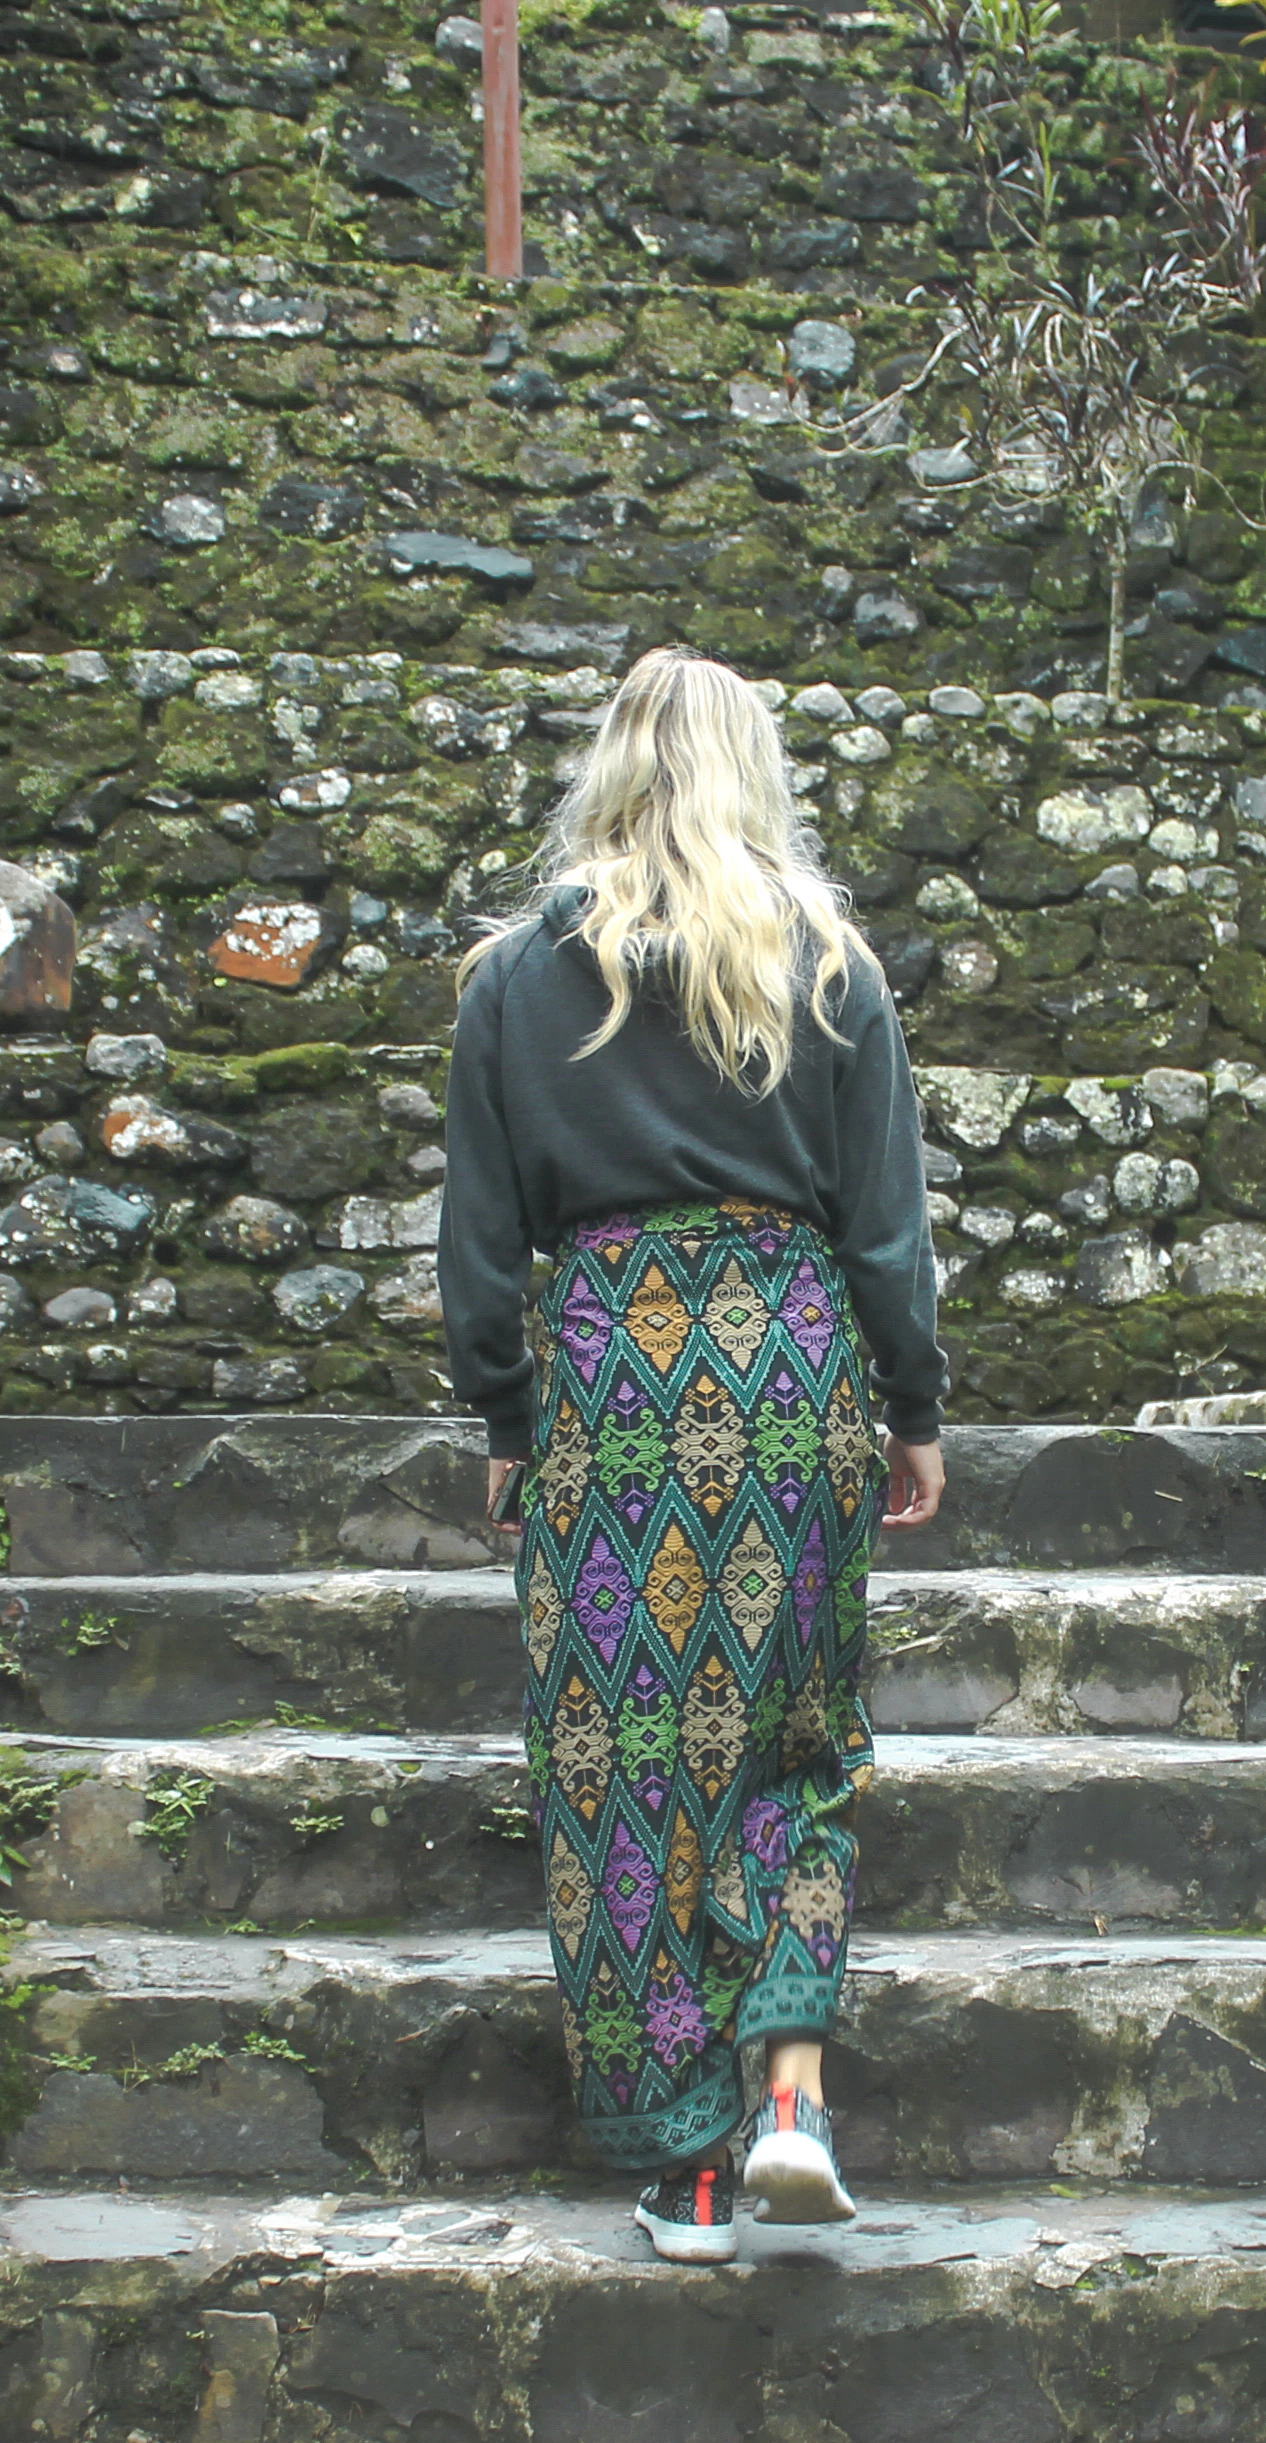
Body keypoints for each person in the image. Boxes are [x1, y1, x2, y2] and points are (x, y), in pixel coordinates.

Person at [437, 647, 950, 2265]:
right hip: (790, 1371)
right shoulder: (828, 970)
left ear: (610, 769)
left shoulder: (521, 978)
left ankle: (696, 2169)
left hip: (614, 1376)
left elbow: (479, 1248)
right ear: (756, 772)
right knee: (794, 1742)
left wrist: (510, 1419)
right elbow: (884, 1233)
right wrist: (913, 1408)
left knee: (630, 1772)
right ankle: (791, 2094)